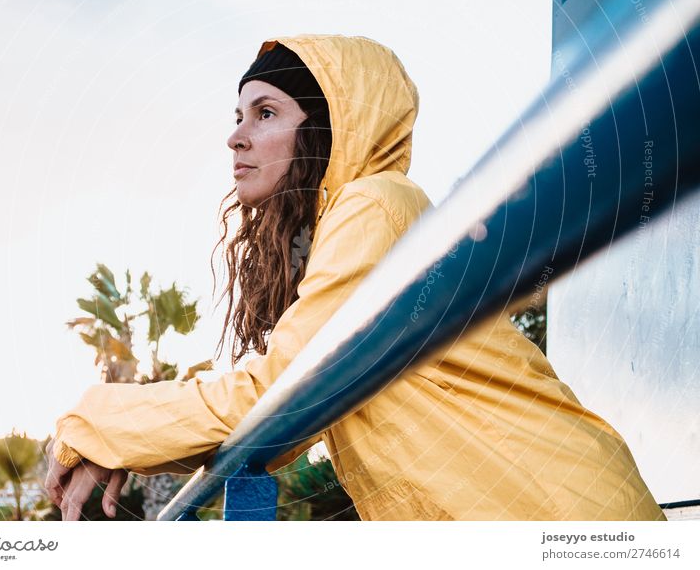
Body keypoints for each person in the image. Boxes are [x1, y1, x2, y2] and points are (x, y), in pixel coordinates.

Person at [45, 34, 665, 521]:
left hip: (543, 509)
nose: (235, 137)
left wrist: (96, 423)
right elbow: (281, 423)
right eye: (238, 114)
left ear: (328, 128)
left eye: (265, 113)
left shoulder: (374, 204)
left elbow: (275, 392)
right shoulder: (338, 229)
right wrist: (122, 443)